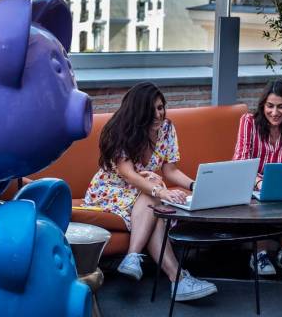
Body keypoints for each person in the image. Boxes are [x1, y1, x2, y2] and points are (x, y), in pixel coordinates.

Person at [82, 82, 217, 301]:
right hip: (110, 190)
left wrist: (195, 185)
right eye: (152, 109)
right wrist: (160, 191)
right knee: (156, 201)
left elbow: (170, 170)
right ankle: (177, 278)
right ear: (138, 111)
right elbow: (128, 174)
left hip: (144, 190)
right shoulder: (120, 130)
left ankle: (137, 261)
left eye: (161, 107)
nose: (158, 114)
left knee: (156, 205)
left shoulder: (167, 128)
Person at [233, 80, 282, 276]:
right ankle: (259, 254)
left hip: (278, 182)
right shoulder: (248, 121)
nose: (275, 112)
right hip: (247, 180)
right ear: (263, 105)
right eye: (270, 106)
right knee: (259, 197)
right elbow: (241, 162)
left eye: (281, 106)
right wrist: (259, 182)